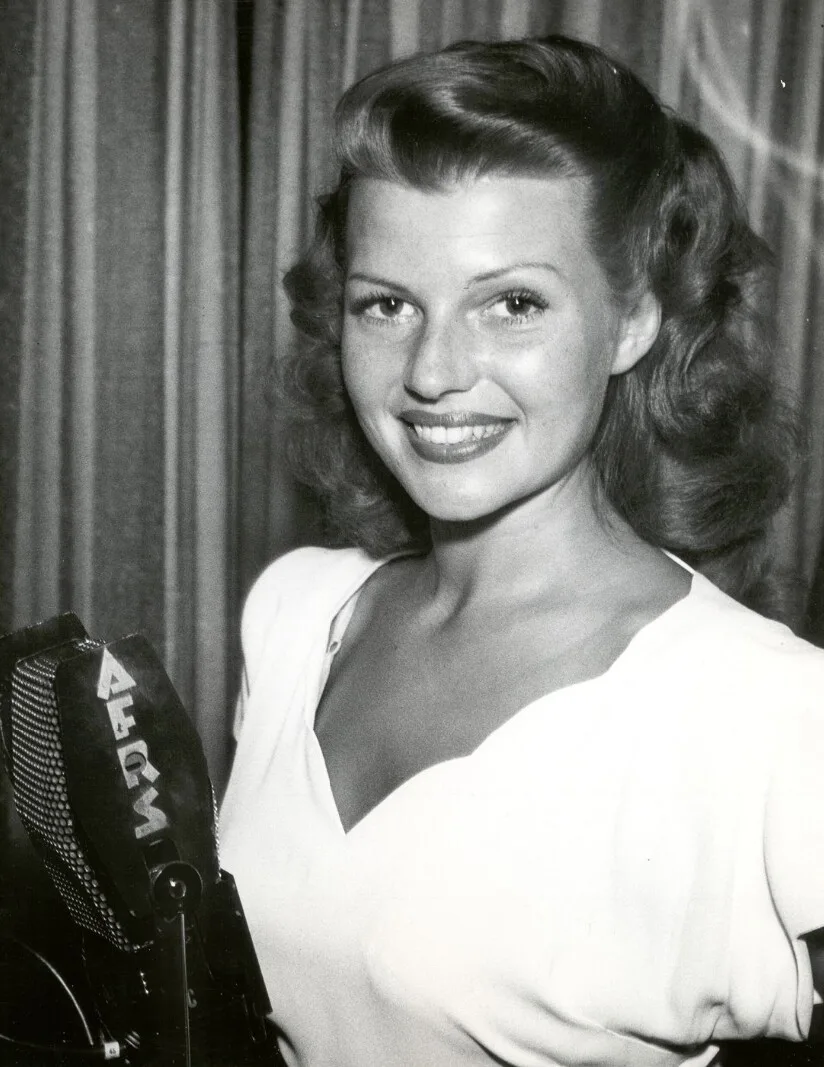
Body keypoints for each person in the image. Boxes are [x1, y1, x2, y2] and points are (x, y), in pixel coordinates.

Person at [219, 34, 824, 1067]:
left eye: (512, 304)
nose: (432, 371)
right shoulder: (293, 613)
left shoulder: (768, 710)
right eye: (386, 304)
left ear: (631, 321)